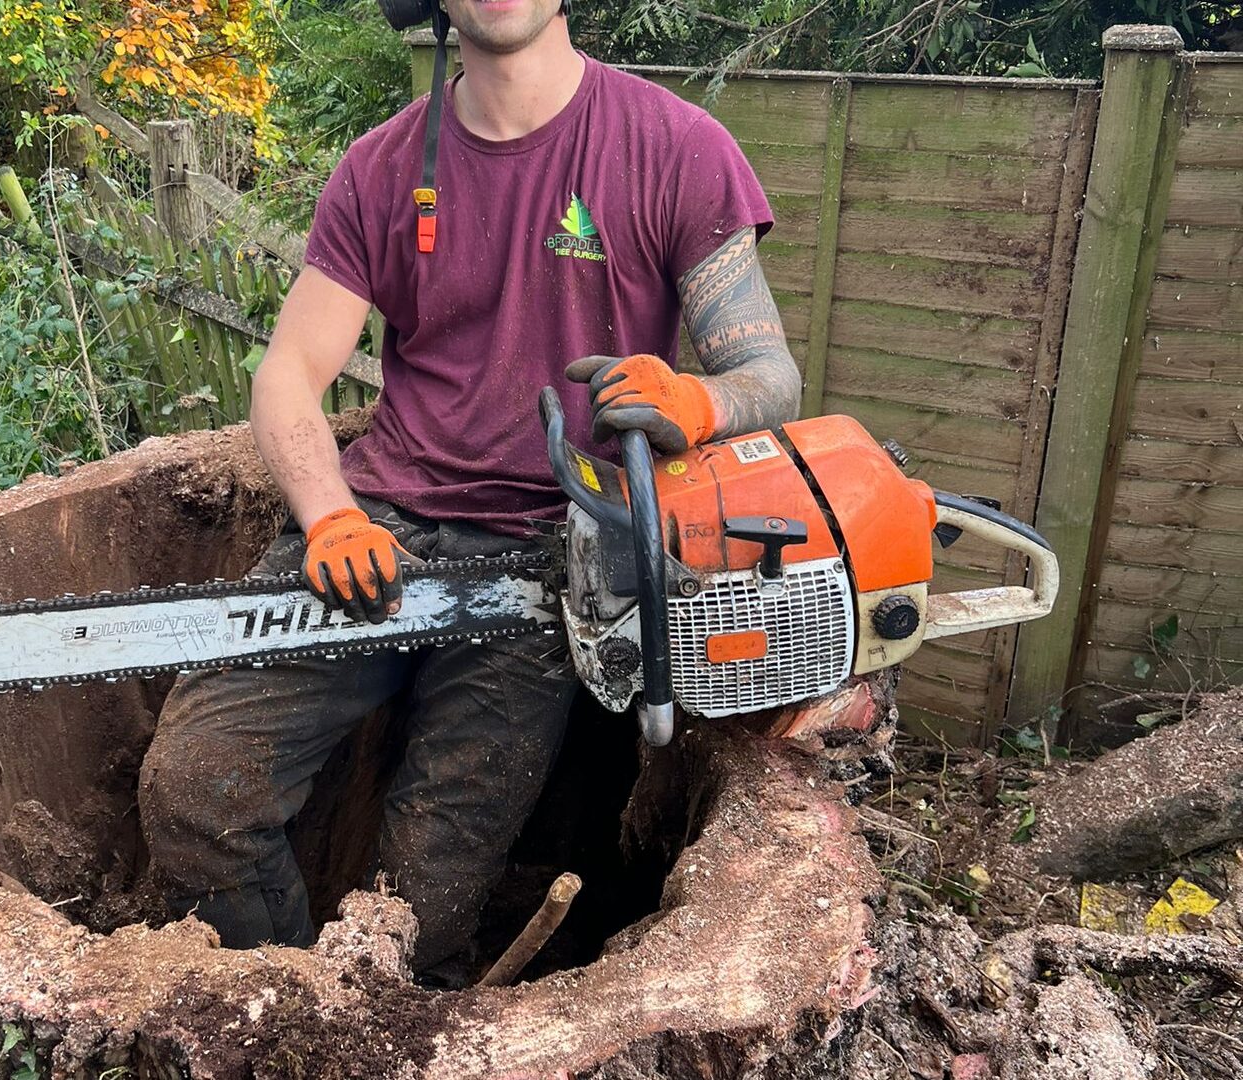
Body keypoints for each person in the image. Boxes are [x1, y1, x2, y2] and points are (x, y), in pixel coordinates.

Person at [137, 0, 801, 981]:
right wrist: (329, 516)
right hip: (382, 527)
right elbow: (286, 377)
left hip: (548, 562)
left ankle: (405, 1008)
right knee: (195, 793)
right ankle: (287, 1009)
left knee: (429, 906)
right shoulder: (380, 168)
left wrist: (696, 400)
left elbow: (770, 375)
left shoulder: (673, 148)